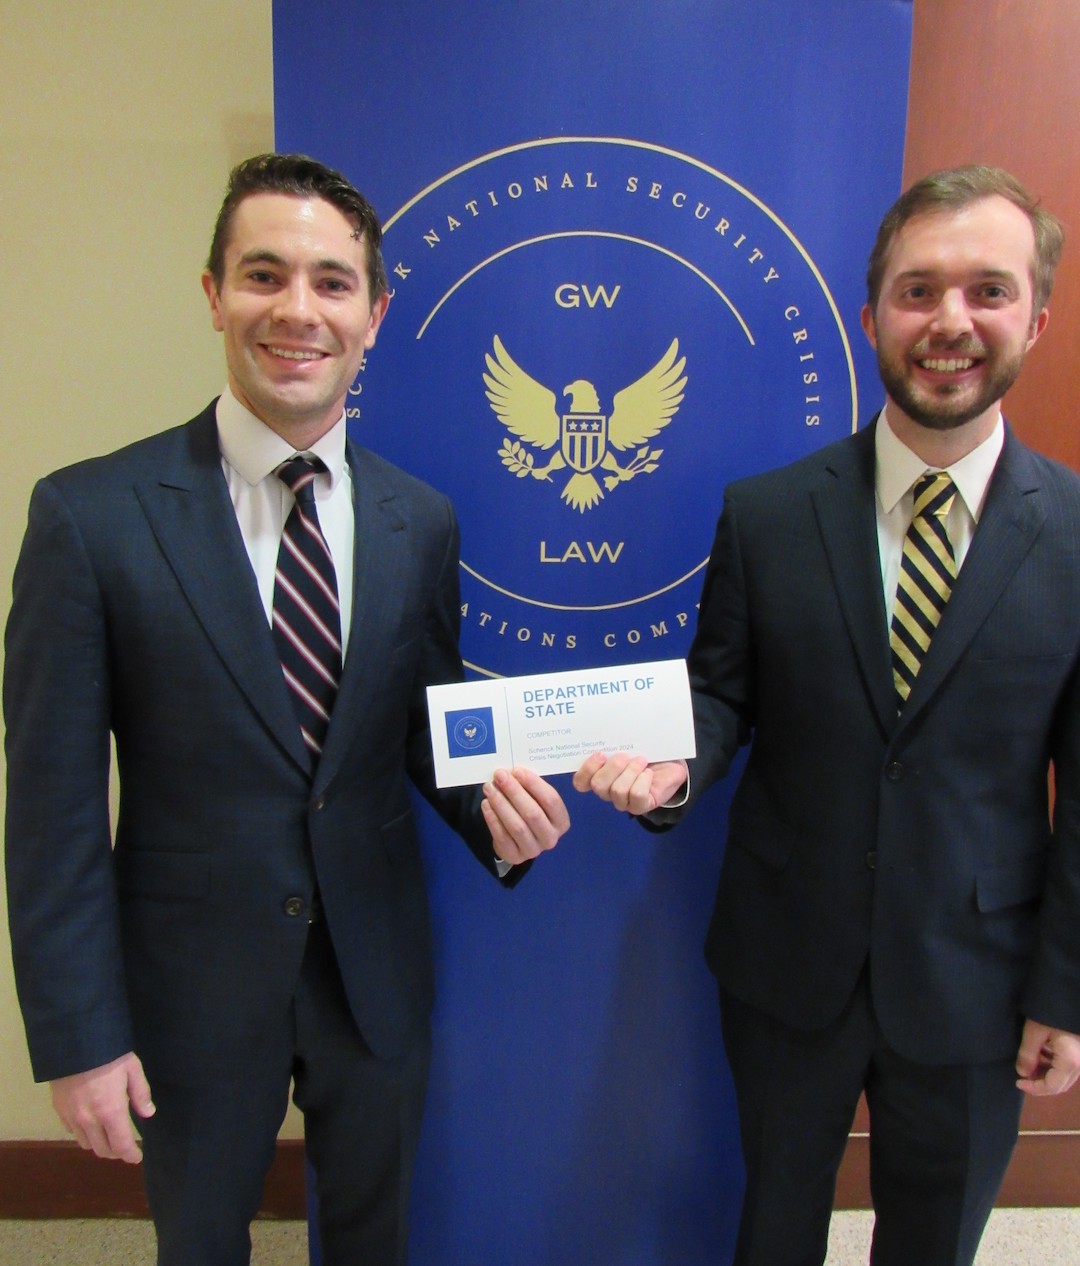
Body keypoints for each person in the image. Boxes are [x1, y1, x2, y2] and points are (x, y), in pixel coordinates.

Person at [4, 153, 570, 1266]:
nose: (297, 310)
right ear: (214, 293)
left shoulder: (421, 519)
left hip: (375, 969)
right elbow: (52, 809)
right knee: (202, 1245)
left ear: (375, 312)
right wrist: (79, 1036)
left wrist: (499, 814)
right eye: (264, 275)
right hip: (187, 985)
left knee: (371, 1240)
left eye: (331, 281)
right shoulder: (90, 518)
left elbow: (420, 727)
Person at [574, 165, 1080, 1265]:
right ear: (872, 315)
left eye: (987, 292)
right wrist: (672, 769)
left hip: (978, 972)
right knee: (774, 1226)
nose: (950, 321)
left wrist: (1068, 990)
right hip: (786, 956)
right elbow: (720, 692)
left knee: (935, 1238)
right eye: (918, 290)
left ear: (1036, 317)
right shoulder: (767, 515)